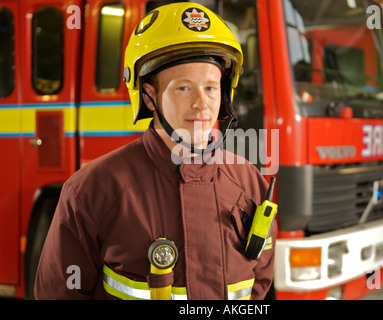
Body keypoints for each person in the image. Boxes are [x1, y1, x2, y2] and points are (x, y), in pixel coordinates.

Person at [34, 2, 276, 300]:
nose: (202, 104)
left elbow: (259, 284)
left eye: (211, 88)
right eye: (184, 88)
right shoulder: (92, 190)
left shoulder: (250, 182)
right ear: (149, 97)